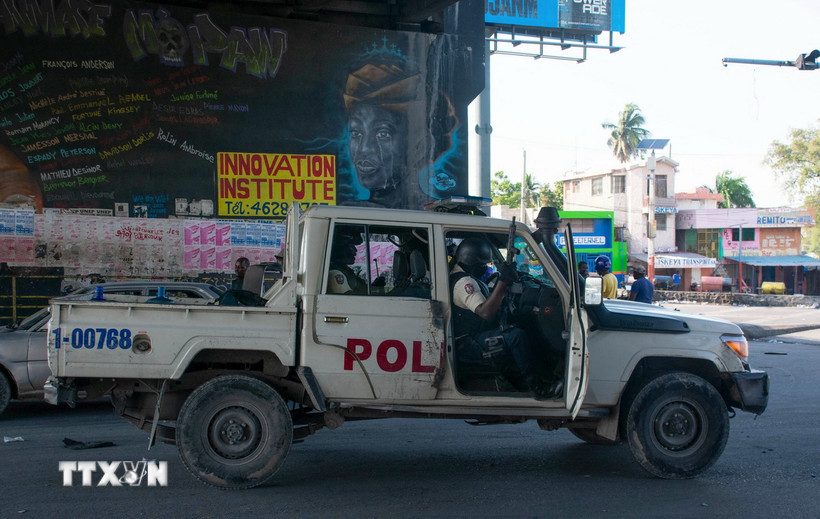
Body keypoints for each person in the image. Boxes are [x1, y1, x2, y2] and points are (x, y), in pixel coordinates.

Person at [450, 238, 559, 399]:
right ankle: (537, 387)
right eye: (483, 264)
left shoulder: (464, 276)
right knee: (516, 336)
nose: (485, 267)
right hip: (467, 343)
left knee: (521, 323)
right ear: (472, 262)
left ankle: (530, 378)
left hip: (474, 335)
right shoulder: (464, 282)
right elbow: (486, 312)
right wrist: (504, 282)